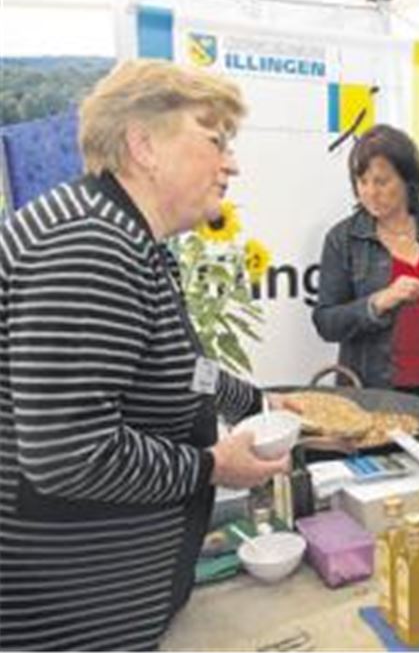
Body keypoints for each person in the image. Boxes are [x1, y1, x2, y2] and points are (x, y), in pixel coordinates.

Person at [0, 60, 292, 650]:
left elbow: (179, 363)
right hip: (64, 623)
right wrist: (213, 466)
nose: (230, 162)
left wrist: (254, 400)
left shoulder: (128, 235)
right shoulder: (88, 247)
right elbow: (70, 455)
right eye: (215, 141)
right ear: (144, 146)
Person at [313, 125, 419, 431]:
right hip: (374, 397)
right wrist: (379, 301)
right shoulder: (343, 240)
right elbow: (326, 322)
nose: (370, 192)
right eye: (361, 182)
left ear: (407, 179)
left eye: (382, 181)